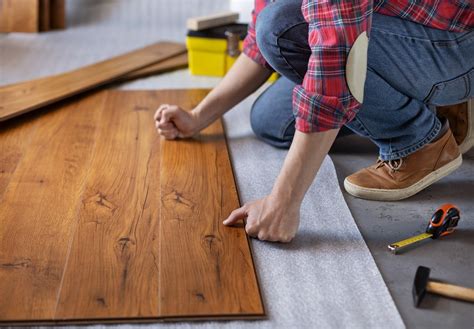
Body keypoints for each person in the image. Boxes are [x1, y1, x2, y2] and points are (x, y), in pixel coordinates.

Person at [155, 1, 474, 243]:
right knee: (271, 120)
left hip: (458, 44)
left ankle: (416, 138)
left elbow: (337, 62)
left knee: (282, 29)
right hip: (396, 29)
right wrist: (200, 116)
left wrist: (282, 203)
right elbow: (257, 41)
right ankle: (421, 99)